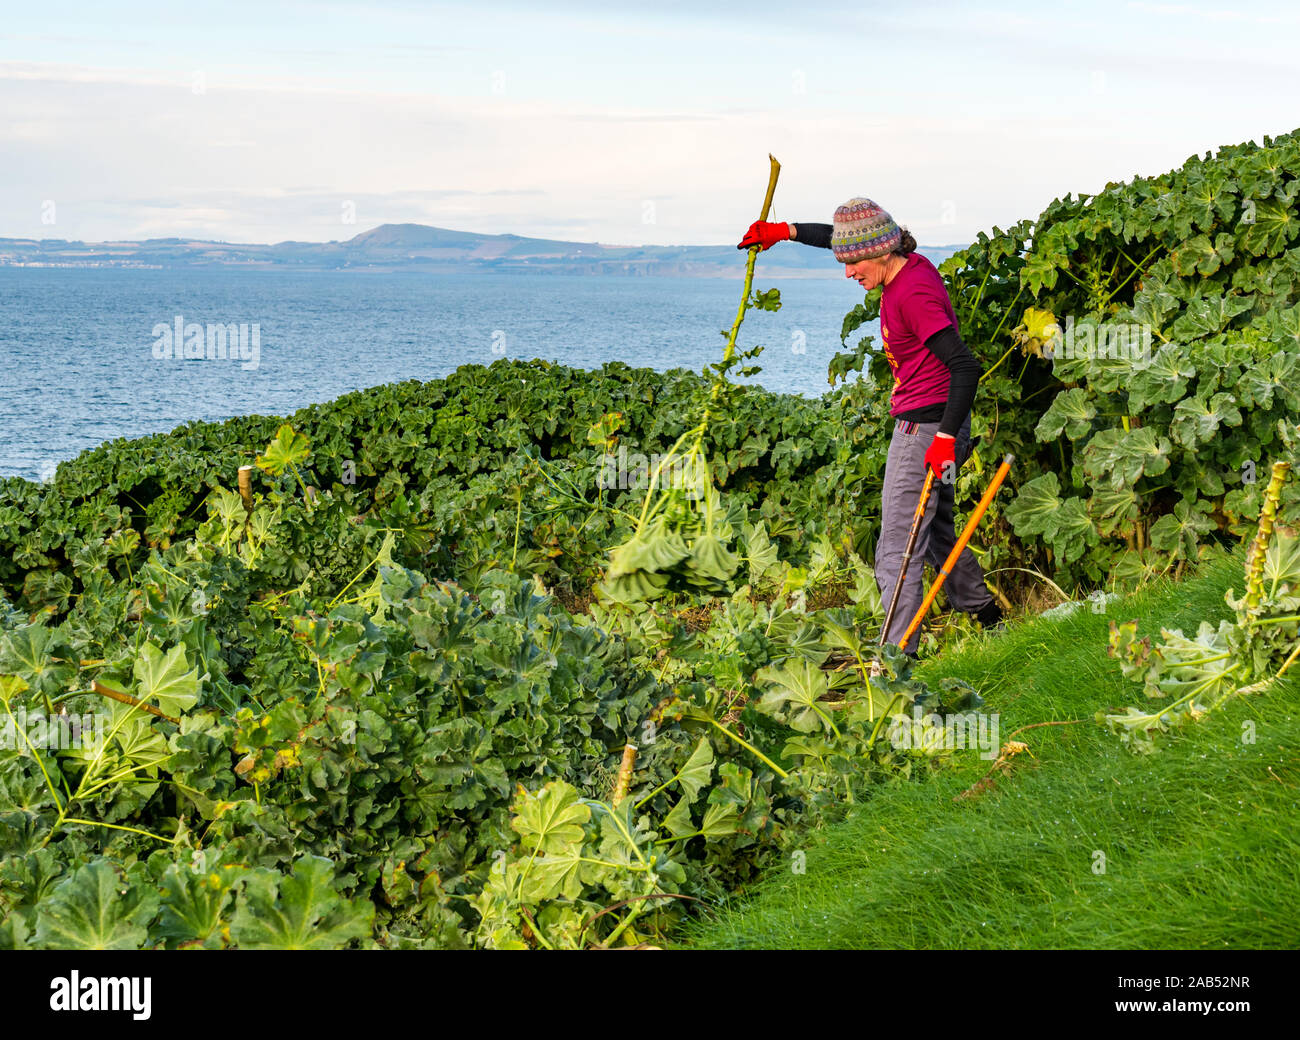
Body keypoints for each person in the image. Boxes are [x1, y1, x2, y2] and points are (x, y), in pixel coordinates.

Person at [738, 198, 1003, 652]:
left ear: (882, 252)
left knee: (896, 552)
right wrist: (785, 231)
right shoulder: (908, 263)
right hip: (942, 426)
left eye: (854, 263)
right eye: (844, 260)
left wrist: (939, 442)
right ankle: (992, 620)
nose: (848, 272)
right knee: (936, 532)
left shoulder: (911, 296)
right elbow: (842, 241)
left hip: (925, 430)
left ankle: (898, 662)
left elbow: (965, 367)